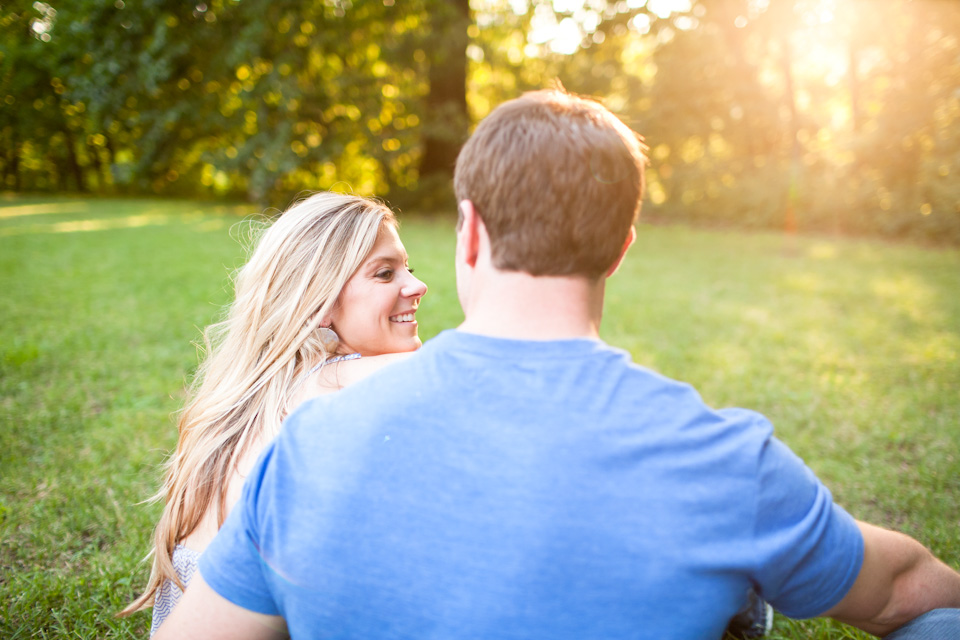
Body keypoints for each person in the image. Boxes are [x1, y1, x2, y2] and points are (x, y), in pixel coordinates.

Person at [155, 90, 960, 639]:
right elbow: (901, 587)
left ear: (468, 232)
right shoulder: (727, 460)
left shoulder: (305, 450)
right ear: (622, 247)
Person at [121, 192, 427, 634]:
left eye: (408, 268)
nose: (416, 286)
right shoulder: (333, 383)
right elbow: (460, 369)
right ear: (319, 302)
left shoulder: (266, 383)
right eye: (385, 273)